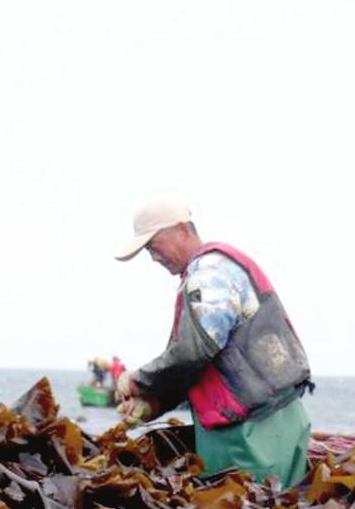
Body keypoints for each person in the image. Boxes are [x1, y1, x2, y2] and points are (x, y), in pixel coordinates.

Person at [114, 200, 313, 489]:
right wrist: (154, 404)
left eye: (154, 245)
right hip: (284, 416)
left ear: (183, 230)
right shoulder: (224, 266)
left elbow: (196, 349)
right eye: (147, 251)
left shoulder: (209, 274)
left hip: (246, 434)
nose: (154, 257)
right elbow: (204, 365)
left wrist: (138, 381)